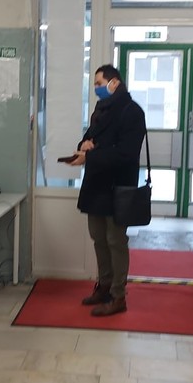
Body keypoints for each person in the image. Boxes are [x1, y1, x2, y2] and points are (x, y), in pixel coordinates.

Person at [66, 64, 146, 317]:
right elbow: (89, 137)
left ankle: (118, 296)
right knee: (98, 237)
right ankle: (104, 286)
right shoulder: (101, 109)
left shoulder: (132, 112)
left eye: (99, 84)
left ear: (114, 83)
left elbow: (127, 153)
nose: (96, 89)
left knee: (115, 240)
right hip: (96, 184)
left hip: (118, 186)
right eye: (95, 85)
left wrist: (91, 156)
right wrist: (84, 145)